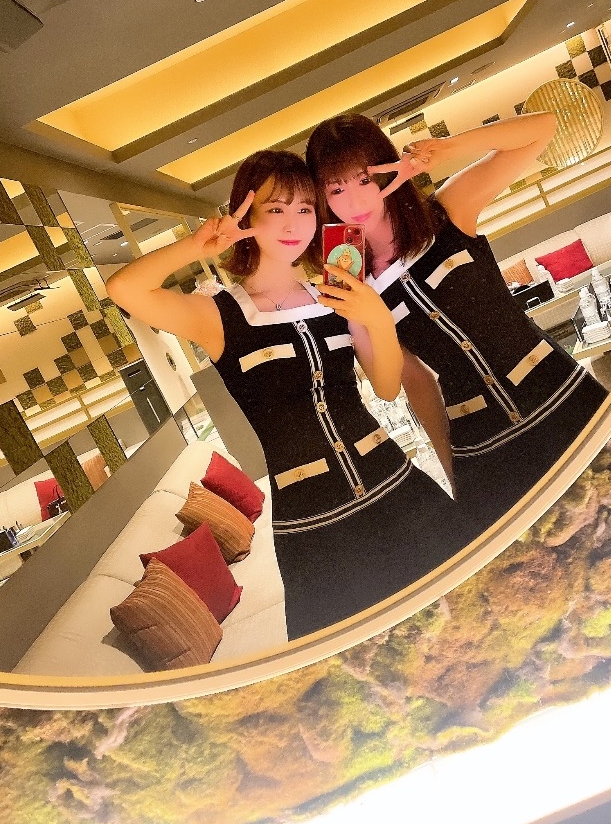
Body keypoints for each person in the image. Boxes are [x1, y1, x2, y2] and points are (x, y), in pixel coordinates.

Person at [106, 150, 469, 640]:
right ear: (246, 215)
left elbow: (386, 388)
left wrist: (377, 319)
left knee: (469, 617)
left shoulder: (335, 293)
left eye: (305, 209)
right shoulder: (219, 316)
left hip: (397, 486)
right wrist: (195, 246)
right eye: (275, 209)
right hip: (315, 523)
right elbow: (125, 289)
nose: (293, 223)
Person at [305, 113, 608, 534]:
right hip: (479, 441)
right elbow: (412, 381)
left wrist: (449, 148)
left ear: (389, 167)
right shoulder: (353, 283)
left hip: (562, 397)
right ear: (323, 200)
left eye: (364, 179)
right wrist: (450, 467)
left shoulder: (447, 212)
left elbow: (543, 129)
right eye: (336, 189)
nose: (355, 201)